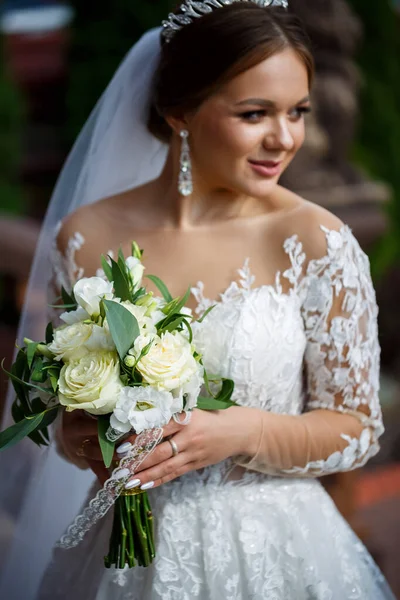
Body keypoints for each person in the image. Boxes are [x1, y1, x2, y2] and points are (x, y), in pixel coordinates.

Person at [0, 2, 396, 599]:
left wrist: (244, 432)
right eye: (254, 113)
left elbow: (357, 430)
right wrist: (88, 438)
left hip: (274, 554)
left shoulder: (316, 241)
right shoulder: (84, 237)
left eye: (298, 112)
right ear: (179, 112)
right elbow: (68, 424)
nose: (284, 137)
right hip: (120, 558)